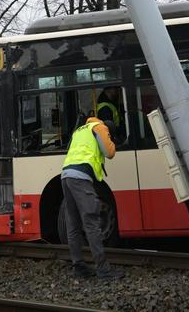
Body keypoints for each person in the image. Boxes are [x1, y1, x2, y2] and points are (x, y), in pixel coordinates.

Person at [61, 115, 124, 281]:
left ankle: (79, 267)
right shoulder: (99, 127)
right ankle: (103, 270)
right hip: (81, 177)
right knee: (92, 223)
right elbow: (109, 152)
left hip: (66, 175)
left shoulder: (80, 130)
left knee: (73, 224)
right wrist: (110, 139)